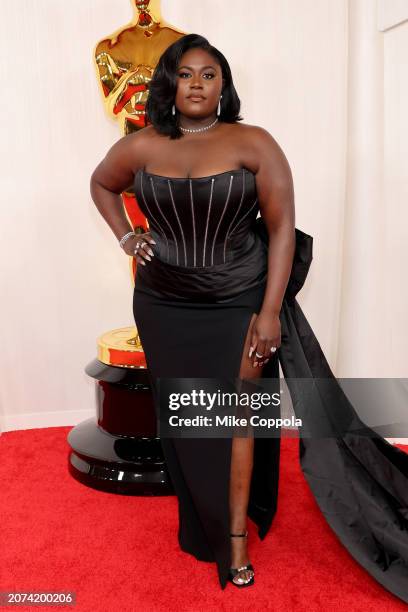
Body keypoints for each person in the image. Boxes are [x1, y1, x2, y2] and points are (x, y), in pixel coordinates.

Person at [90, 34, 408, 601]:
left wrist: (268, 313)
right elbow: (101, 183)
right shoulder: (140, 145)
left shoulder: (253, 142)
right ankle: (200, 523)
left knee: (236, 418)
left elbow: (282, 228)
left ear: (223, 85)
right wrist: (126, 236)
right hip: (163, 303)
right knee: (186, 414)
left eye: (208, 74)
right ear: (169, 83)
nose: (196, 84)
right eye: (185, 74)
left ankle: (234, 538)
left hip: (238, 299)